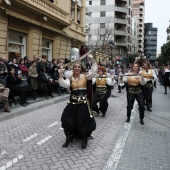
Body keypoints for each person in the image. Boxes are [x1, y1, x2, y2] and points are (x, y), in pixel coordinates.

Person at [58, 54, 97, 149]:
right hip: (73, 102)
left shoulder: (85, 76)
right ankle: (68, 137)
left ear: (81, 68)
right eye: (75, 67)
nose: (77, 68)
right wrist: (60, 74)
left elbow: (94, 71)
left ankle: (84, 139)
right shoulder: (71, 78)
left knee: (82, 122)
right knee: (65, 118)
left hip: (83, 103)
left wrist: (92, 60)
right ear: (73, 68)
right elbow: (64, 84)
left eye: (78, 67)